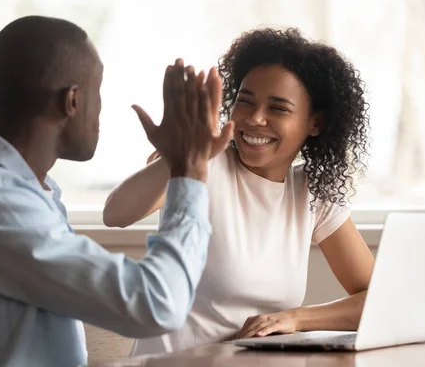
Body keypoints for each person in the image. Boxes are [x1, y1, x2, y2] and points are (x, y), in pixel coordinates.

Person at [0, 15, 233, 367]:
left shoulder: (18, 187)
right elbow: (157, 305)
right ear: (72, 100)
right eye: (97, 91)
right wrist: (189, 170)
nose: (100, 109)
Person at [104, 27, 376, 356]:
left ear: (315, 123)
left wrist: (295, 319)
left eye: (278, 109)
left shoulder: (312, 193)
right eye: (245, 102)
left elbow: (376, 299)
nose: (255, 119)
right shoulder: (203, 163)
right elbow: (116, 214)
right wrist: (182, 156)